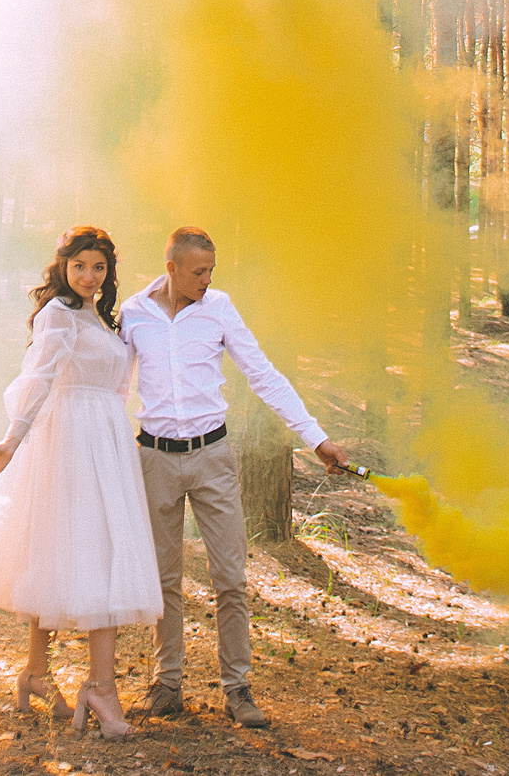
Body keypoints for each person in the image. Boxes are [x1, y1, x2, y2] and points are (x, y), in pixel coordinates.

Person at [118, 226, 350, 728]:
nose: (207, 280)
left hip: (212, 456)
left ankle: (238, 689)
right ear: (172, 268)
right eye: (198, 271)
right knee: (164, 578)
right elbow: (116, 389)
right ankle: (167, 685)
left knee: (230, 577)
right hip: (154, 458)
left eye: (211, 271)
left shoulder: (219, 308)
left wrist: (316, 439)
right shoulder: (133, 314)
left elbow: (264, 375)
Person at [0, 226, 161, 739]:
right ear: (63, 266)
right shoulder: (57, 313)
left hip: (107, 442)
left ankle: (39, 673)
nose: (88, 276)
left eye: (98, 267)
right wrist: (11, 441)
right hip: (71, 443)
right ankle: (99, 687)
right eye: (79, 266)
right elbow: (39, 377)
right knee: (83, 552)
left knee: (85, 553)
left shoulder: (101, 318)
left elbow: (117, 385)